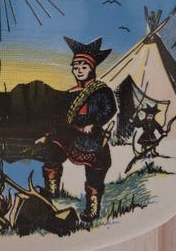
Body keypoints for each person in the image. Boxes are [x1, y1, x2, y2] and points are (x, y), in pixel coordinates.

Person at [35, 36, 117, 222]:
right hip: (70, 134)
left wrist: (94, 123)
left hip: (92, 137)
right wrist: (47, 135)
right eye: (76, 66)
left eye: (84, 67)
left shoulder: (102, 91)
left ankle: (92, 210)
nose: (79, 70)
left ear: (92, 69)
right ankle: (51, 194)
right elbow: (60, 118)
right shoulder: (70, 93)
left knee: (96, 170)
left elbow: (109, 109)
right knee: (51, 150)